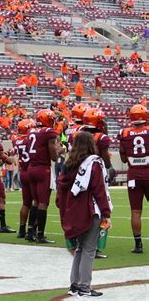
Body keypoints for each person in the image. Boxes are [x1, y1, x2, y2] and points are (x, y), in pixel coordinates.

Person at [56, 131, 112, 298]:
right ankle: (84, 287)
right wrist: (106, 212)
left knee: (80, 248)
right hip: (89, 209)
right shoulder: (93, 163)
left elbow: (61, 192)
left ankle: (75, 285)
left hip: (72, 209)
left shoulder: (68, 164)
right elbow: (99, 190)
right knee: (89, 249)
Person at [27, 109, 63, 243]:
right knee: (43, 203)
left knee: (35, 201)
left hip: (31, 168)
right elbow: (53, 156)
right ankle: (40, 235)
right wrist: (60, 150)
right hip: (42, 169)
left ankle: (30, 231)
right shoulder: (48, 132)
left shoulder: (30, 131)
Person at [118, 104, 148, 254]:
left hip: (133, 175)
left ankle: (138, 245)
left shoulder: (124, 133)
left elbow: (123, 158)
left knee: (136, 211)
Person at [12, 119, 36, 238]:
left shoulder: (17, 141)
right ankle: (32, 230)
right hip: (31, 171)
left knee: (26, 203)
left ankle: (21, 229)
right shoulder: (29, 140)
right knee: (36, 202)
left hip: (23, 172)